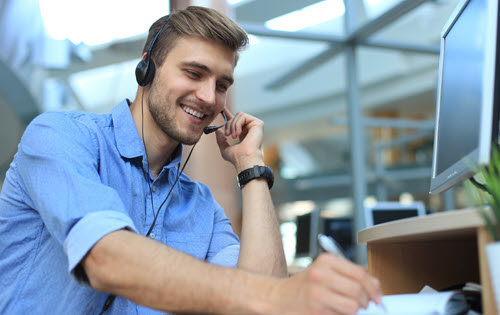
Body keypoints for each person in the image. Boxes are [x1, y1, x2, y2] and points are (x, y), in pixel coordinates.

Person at [0, 6, 383, 314]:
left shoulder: (201, 205)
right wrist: (277, 297)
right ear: (146, 68)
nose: (208, 97)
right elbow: (105, 258)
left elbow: (261, 294)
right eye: (194, 73)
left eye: (222, 84)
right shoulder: (59, 137)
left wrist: (251, 168)